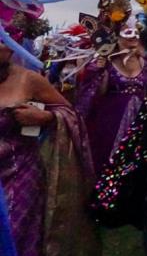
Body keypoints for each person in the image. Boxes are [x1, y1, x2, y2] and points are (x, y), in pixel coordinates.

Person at [0, 41, 99, 256]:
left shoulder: (28, 78)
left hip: (20, 174)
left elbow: (69, 112)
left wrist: (45, 116)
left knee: (15, 237)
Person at [76, 16, 147, 175]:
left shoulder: (146, 62)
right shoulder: (107, 63)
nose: (133, 36)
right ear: (116, 37)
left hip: (140, 121)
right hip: (111, 121)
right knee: (107, 163)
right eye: (127, 33)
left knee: (135, 165)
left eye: (136, 32)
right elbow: (96, 95)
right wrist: (99, 71)